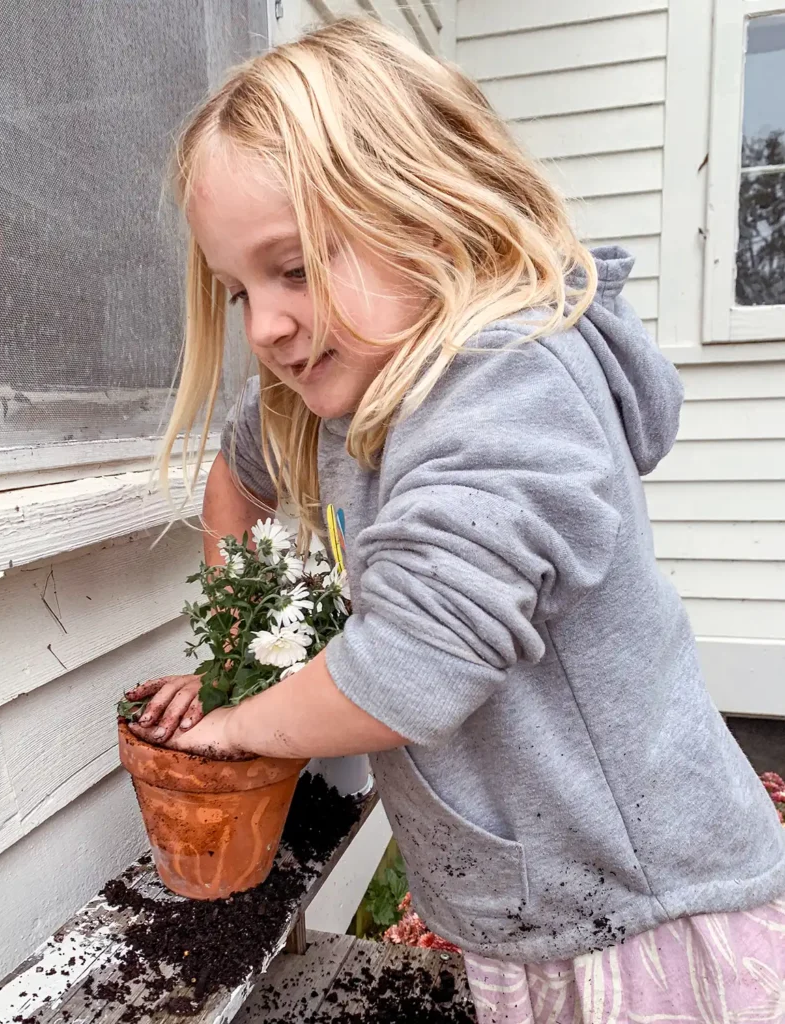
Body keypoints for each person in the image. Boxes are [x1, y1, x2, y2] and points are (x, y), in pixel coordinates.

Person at [125, 18, 785, 1020]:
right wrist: (234, 658)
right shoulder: (336, 390)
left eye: (294, 266)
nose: (263, 325)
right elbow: (235, 480)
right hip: (534, 914)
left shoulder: (509, 383)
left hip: (643, 919)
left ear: (429, 218)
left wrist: (240, 724)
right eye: (238, 290)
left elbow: (413, 666)